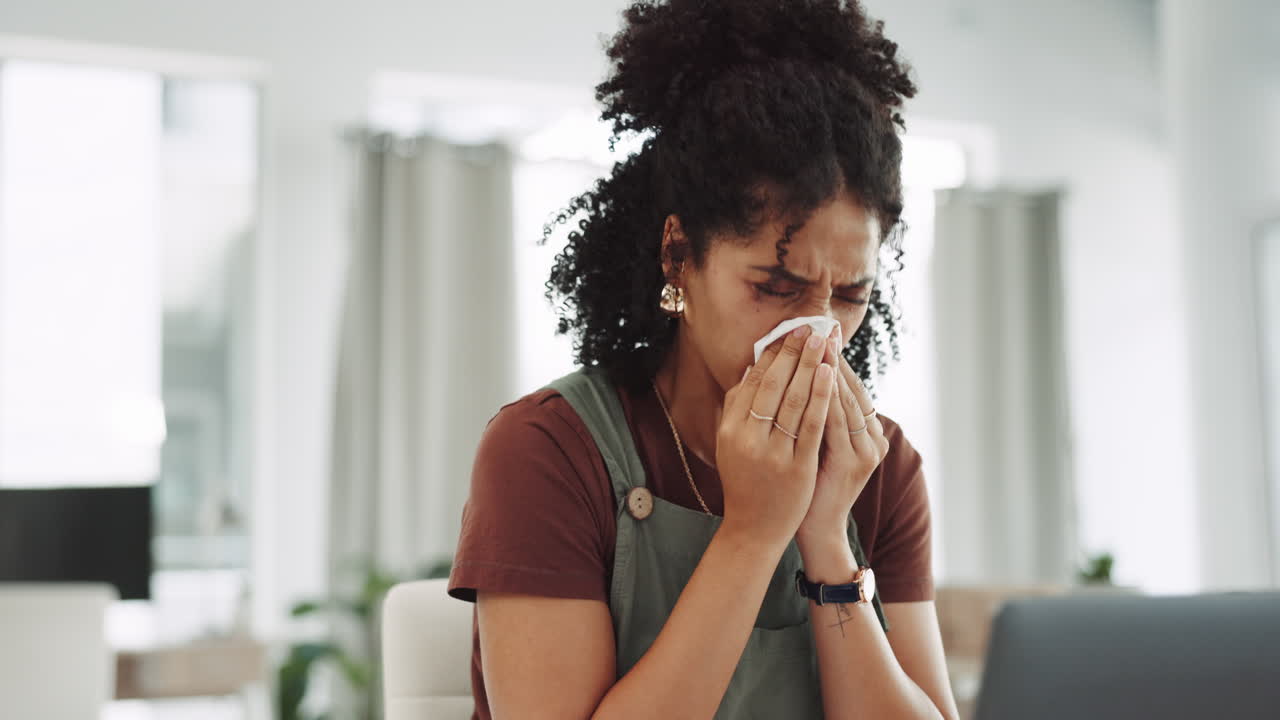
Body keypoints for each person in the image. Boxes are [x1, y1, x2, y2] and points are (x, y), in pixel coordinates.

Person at [447, 0, 960, 717]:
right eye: (775, 286)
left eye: (849, 295)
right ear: (679, 256)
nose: (818, 332)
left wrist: (824, 538)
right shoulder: (547, 451)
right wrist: (753, 533)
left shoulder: (879, 468)